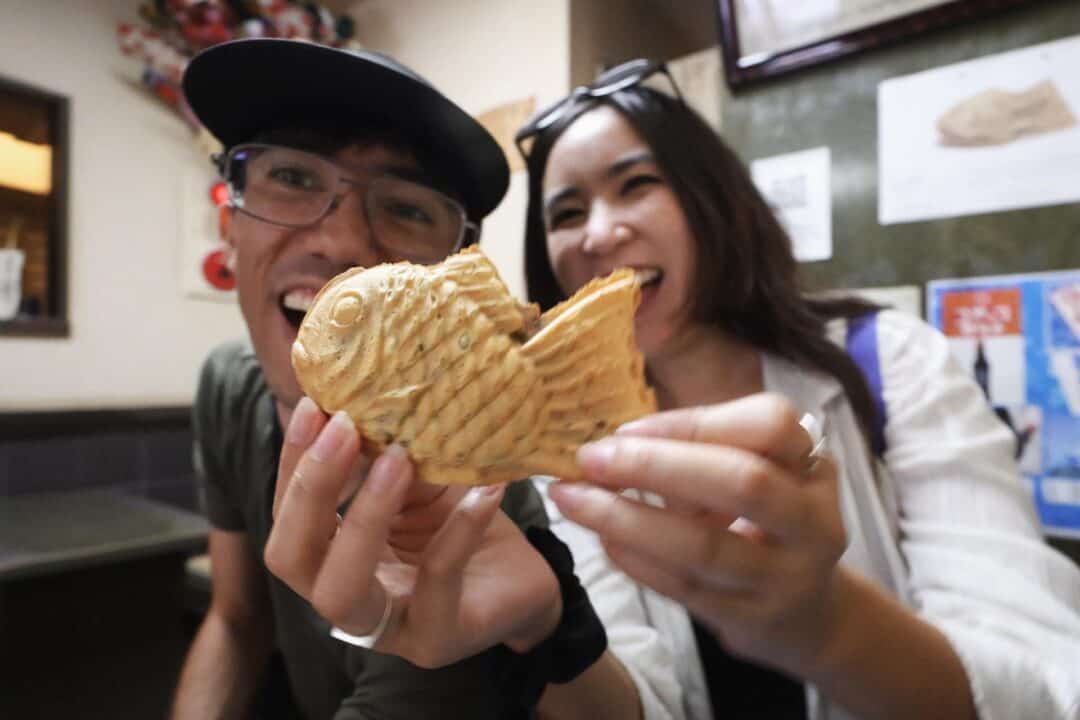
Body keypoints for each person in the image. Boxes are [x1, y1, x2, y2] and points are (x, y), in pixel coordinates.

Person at [515, 58, 1080, 720]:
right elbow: (640, 695)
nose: (600, 233)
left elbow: (1043, 688)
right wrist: (538, 634)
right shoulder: (565, 444)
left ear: (714, 199)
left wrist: (828, 627)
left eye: (637, 183)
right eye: (567, 212)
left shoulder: (889, 362)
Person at [173, 38, 625, 720]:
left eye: (410, 208)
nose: (345, 244)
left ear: (446, 275)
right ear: (227, 223)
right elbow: (235, 622)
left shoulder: (476, 508)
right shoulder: (228, 386)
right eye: (294, 177)